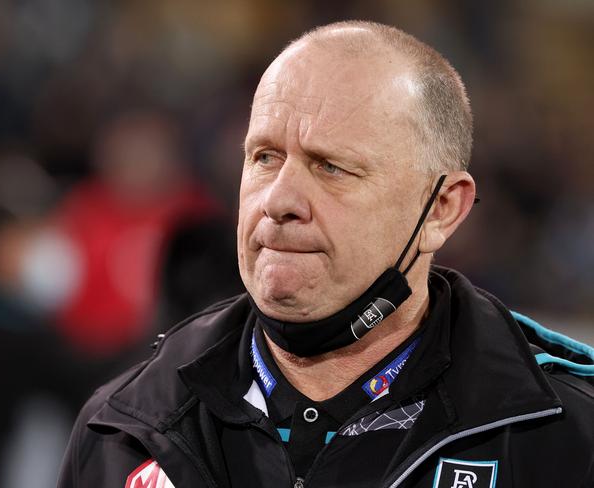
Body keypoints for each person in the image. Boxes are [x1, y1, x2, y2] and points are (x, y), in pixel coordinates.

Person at [58, 21, 594, 488]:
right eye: (265, 157)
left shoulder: (565, 434)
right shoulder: (123, 427)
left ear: (441, 210)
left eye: (331, 167)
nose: (280, 201)